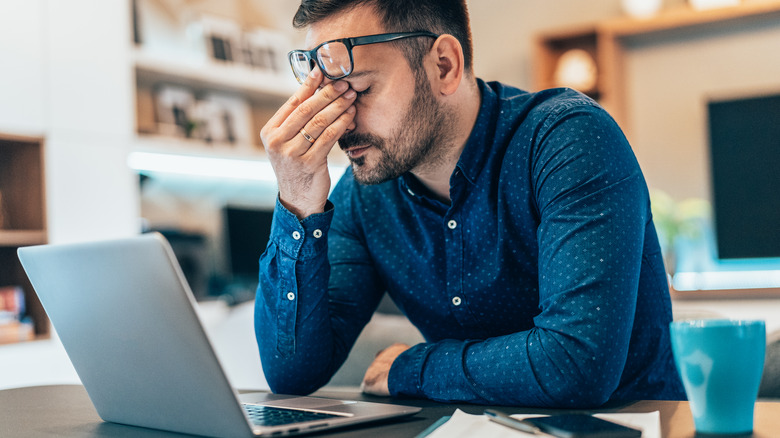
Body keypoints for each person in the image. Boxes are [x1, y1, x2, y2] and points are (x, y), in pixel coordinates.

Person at [255, 0, 685, 407]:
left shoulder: (569, 140)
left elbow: (576, 364)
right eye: (327, 99)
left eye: (361, 91)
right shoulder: (366, 194)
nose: (341, 124)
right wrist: (297, 201)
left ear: (444, 65)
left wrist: (414, 368)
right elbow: (292, 375)